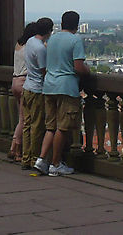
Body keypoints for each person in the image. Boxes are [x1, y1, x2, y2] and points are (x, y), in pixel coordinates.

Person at [35, 10, 90, 177]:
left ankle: (41, 160)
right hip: (66, 87)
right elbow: (79, 67)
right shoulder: (75, 40)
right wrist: (88, 72)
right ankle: (56, 164)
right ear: (77, 24)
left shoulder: (52, 39)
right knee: (63, 127)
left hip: (49, 86)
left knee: (50, 127)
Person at [21, 16, 53, 170]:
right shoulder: (40, 48)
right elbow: (44, 70)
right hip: (37, 89)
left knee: (27, 124)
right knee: (36, 126)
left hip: (26, 87)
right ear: (49, 31)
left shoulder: (30, 42)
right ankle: (35, 159)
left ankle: (25, 158)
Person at [9, 22, 38, 161]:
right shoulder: (30, 46)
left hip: (15, 81)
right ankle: (15, 149)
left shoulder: (18, 44)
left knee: (21, 117)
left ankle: (15, 148)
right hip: (24, 81)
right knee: (24, 119)